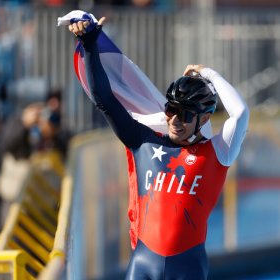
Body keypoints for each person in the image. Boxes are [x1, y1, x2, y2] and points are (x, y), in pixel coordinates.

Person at [65, 13, 249, 280]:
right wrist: (91, 44)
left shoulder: (217, 152)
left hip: (187, 268)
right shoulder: (142, 142)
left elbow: (241, 113)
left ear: (205, 119)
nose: (175, 120)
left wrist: (209, 74)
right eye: (171, 110)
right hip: (143, 264)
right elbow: (105, 99)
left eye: (185, 115)